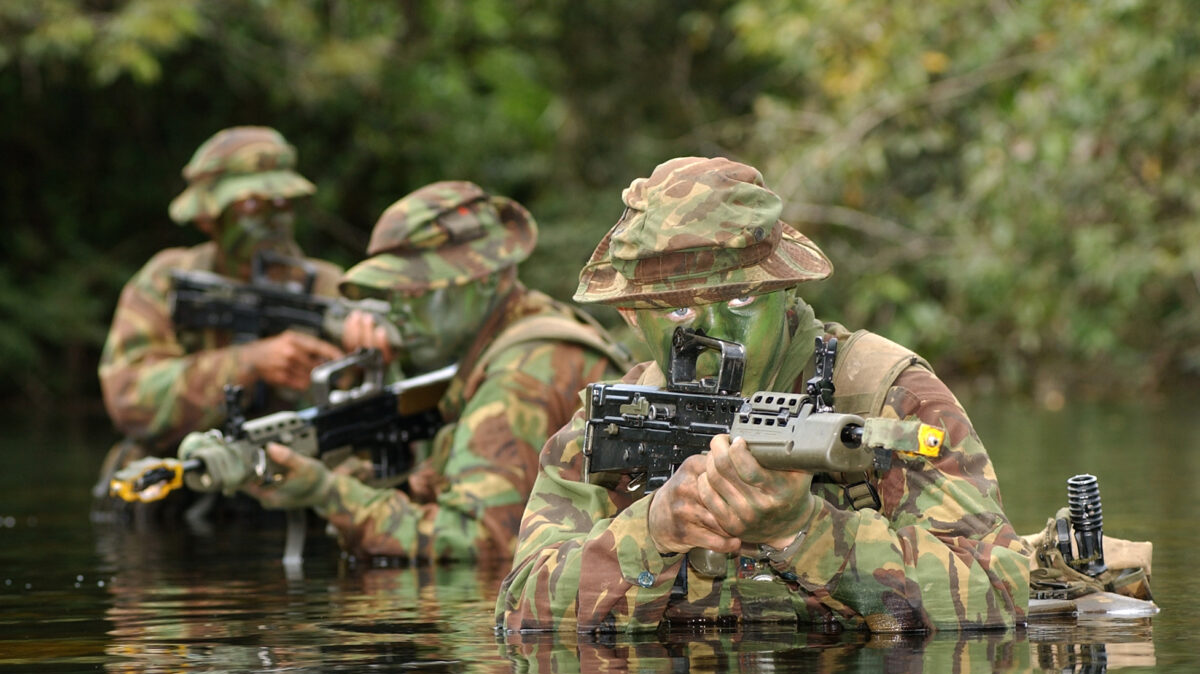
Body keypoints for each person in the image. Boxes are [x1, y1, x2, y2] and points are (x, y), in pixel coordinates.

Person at [495, 156, 1031, 634]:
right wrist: (653, 530)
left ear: (786, 289)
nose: (717, 335)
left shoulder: (884, 395)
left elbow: (1002, 594)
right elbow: (521, 611)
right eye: (678, 310)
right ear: (632, 316)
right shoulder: (618, 418)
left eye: (743, 298)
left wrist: (802, 531)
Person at [177, 181, 630, 563]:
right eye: (391, 293)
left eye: (416, 291)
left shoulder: (517, 375)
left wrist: (325, 493)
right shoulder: (535, 329)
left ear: (488, 281)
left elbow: (478, 541)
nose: (396, 311)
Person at [94, 126, 345, 515]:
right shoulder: (167, 281)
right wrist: (250, 363)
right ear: (208, 218)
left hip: (296, 495)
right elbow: (130, 399)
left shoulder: (331, 289)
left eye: (283, 202)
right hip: (177, 494)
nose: (274, 218)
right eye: (251, 205)